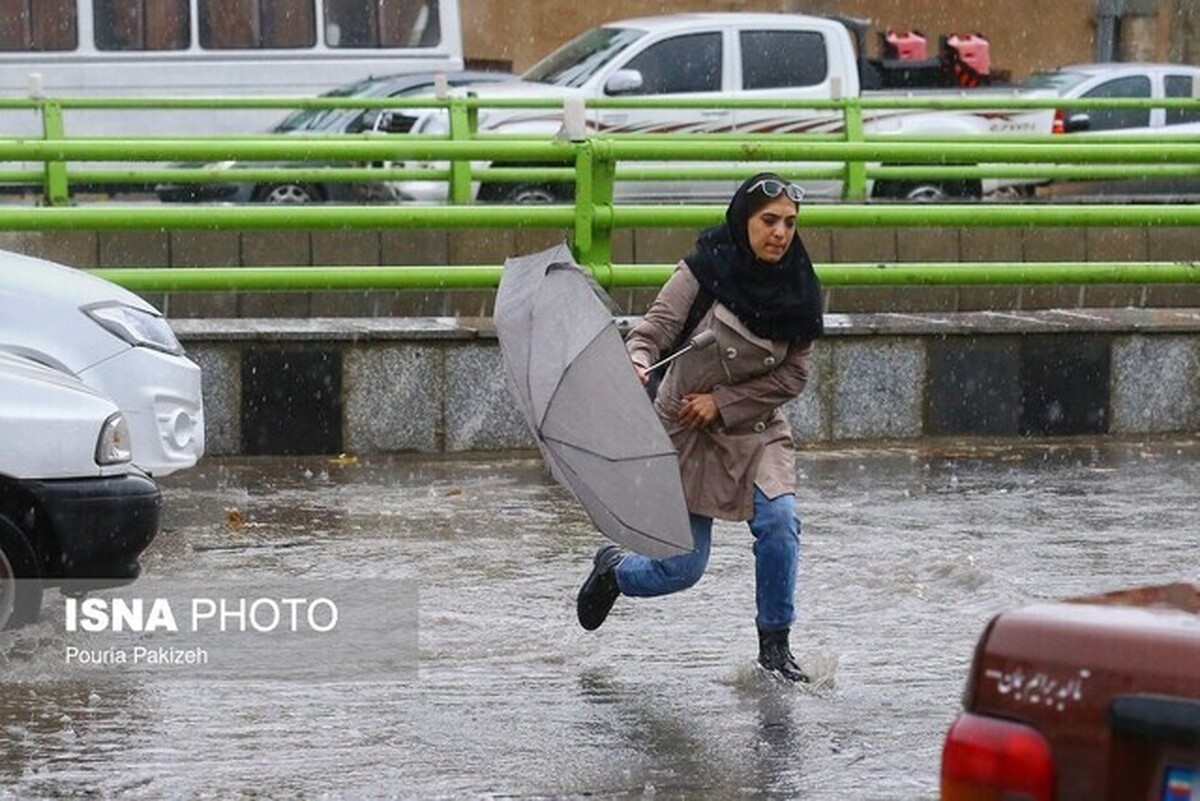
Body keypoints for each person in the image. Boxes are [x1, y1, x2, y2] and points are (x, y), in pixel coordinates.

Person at [575, 172, 824, 683]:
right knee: (682, 569)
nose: (780, 233)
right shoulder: (705, 268)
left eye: (789, 224)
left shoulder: (799, 288)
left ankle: (775, 647)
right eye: (769, 221)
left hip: (754, 427)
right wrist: (637, 361)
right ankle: (614, 571)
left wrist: (725, 401)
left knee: (780, 522)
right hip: (684, 430)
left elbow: (795, 374)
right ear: (743, 221)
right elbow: (651, 332)